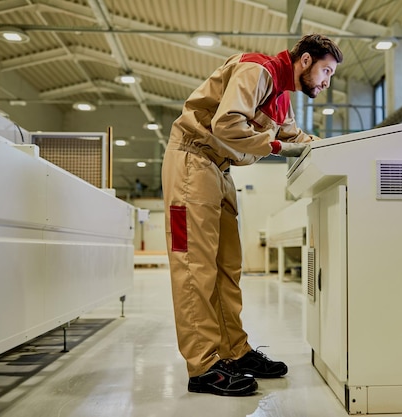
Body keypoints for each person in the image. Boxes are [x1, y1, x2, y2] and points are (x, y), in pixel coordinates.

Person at [161, 34, 343, 397]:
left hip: (221, 171)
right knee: (195, 267)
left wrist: (340, 147)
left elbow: (295, 136)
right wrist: (277, 146)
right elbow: (227, 125)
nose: (326, 81)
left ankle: (234, 351)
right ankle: (204, 365)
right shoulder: (257, 70)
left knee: (228, 266)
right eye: (326, 70)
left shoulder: (281, 97)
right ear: (305, 61)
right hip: (192, 163)